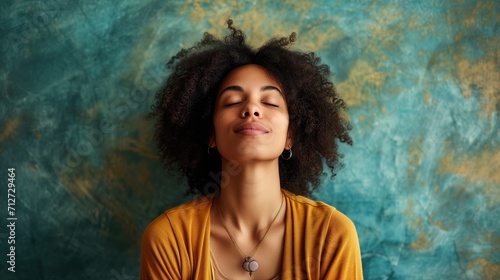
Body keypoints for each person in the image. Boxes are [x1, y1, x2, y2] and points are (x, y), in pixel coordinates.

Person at [141, 19, 363, 280]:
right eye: (232, 101)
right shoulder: (169, 239)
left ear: (290, 135)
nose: (251, 109)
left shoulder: (331, 234)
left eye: (270, 102)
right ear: (211, 134)